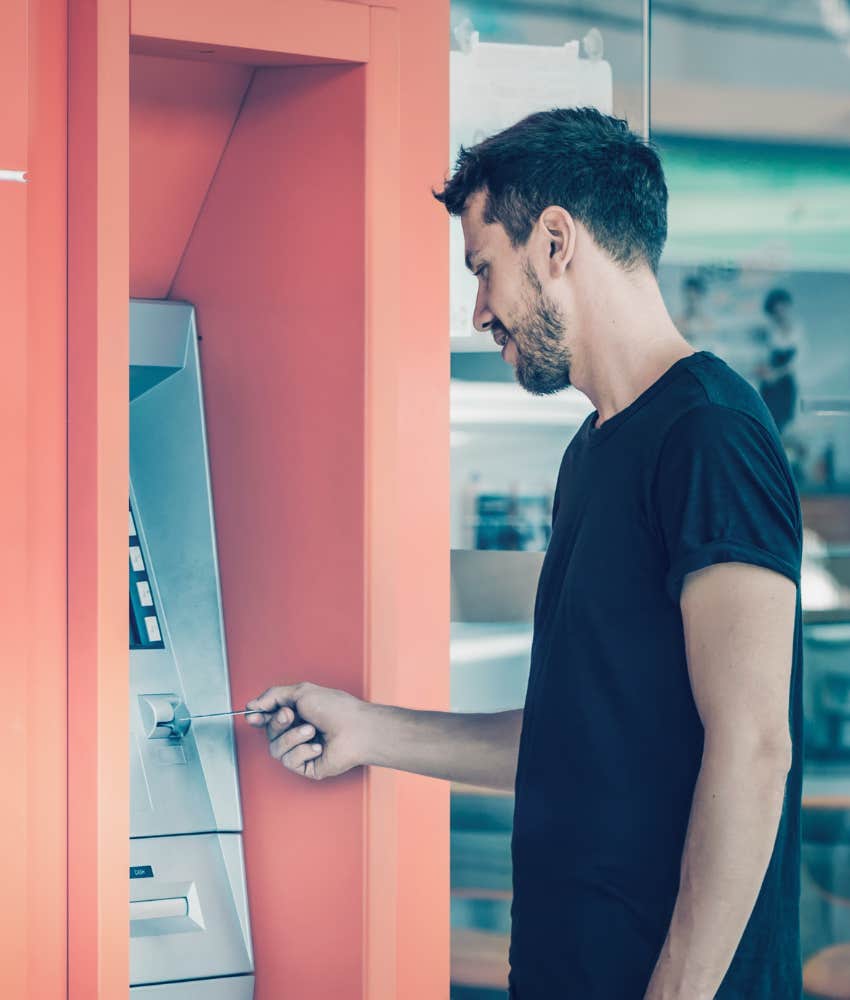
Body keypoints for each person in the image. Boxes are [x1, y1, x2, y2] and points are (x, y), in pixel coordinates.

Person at [246, 109, 803, 1000]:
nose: (477, 314)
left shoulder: (710, 435)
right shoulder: (593, 452)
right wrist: (370, 729)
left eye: (483, 270)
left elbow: (754, 747)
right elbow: (578, 740)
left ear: (555, 242)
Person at [758, 288, 803, 435]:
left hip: (786, 383)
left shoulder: (797, 330)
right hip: (770, 384)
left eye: (783, 307)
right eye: (776, 309)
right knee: (770, 420)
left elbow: (797, 360)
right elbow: (762, 358)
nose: (780, 312)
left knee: (786, 419)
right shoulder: (768, 332)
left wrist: (779, 373)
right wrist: (767, 373)